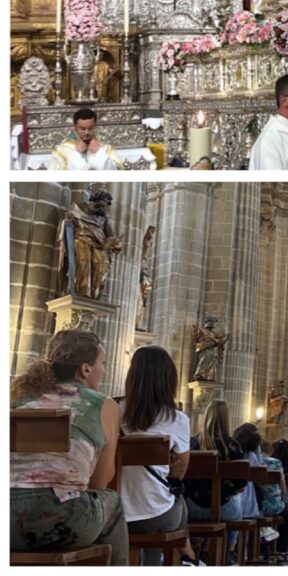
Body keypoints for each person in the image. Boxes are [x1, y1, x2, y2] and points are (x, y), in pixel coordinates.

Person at [10, 329, 128, 565]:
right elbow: (99, 483)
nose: (103, 371)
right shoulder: (103, 404)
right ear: (85, 369)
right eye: (102, 363)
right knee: (112, 502)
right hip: (60, 518)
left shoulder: (17, 399)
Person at [119, 345, 200, 566]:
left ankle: (186, 558)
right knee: (175, 500)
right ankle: (187, 558)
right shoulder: (177, 419)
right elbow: (182, 466)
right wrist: (171, 473)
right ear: (169, 380)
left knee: (164, 501)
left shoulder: (113, 410)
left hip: (115, 512)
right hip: (155, 514)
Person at [184, 399, 247, 565]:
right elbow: (241, 486)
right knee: (239, 498)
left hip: (193, 508)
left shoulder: (192, 443)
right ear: (226, 418)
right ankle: (230, 551)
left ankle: (200, 549)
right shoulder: (233, 446)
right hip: (223, 509)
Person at [234, 425, 288, 563]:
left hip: (235, 502)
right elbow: (283, 491)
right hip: (257, 506)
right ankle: (281, 550)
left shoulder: (234, 456)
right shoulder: (267, 462)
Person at [57, 187, 122, 300]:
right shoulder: (78, 208)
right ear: (95, 200)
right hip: (82, 239)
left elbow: (110, 233)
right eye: (103, 204)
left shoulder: (104, 216)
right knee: (84, 262)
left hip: (100, 244)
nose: (104, 207)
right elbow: (67, 222)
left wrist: (115, 243)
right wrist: (68, 221)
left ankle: (94, 293)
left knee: (102, 264)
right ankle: (81, 291)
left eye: (106, 205)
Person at [48, 108, 123, 170]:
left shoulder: (106, 149)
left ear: (95, 126)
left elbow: (118, 174)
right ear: (75, 126)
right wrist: (77, 154)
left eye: (90, 128)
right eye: (82, 129)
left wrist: (99, 152)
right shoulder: (62, 151)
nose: (87, 132)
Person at [191, 316, 229, 382]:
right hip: (205, 349)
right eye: (213, 322)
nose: (214, 325)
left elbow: (218, 340)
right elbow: (196, 339)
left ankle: (209, 376)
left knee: (213, 361)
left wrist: (221, 341)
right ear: (209, 323)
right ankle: (198, 374)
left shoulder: (213, 333)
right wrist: (195, 331)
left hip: (212, 349)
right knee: (204, 360)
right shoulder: (202, 330)